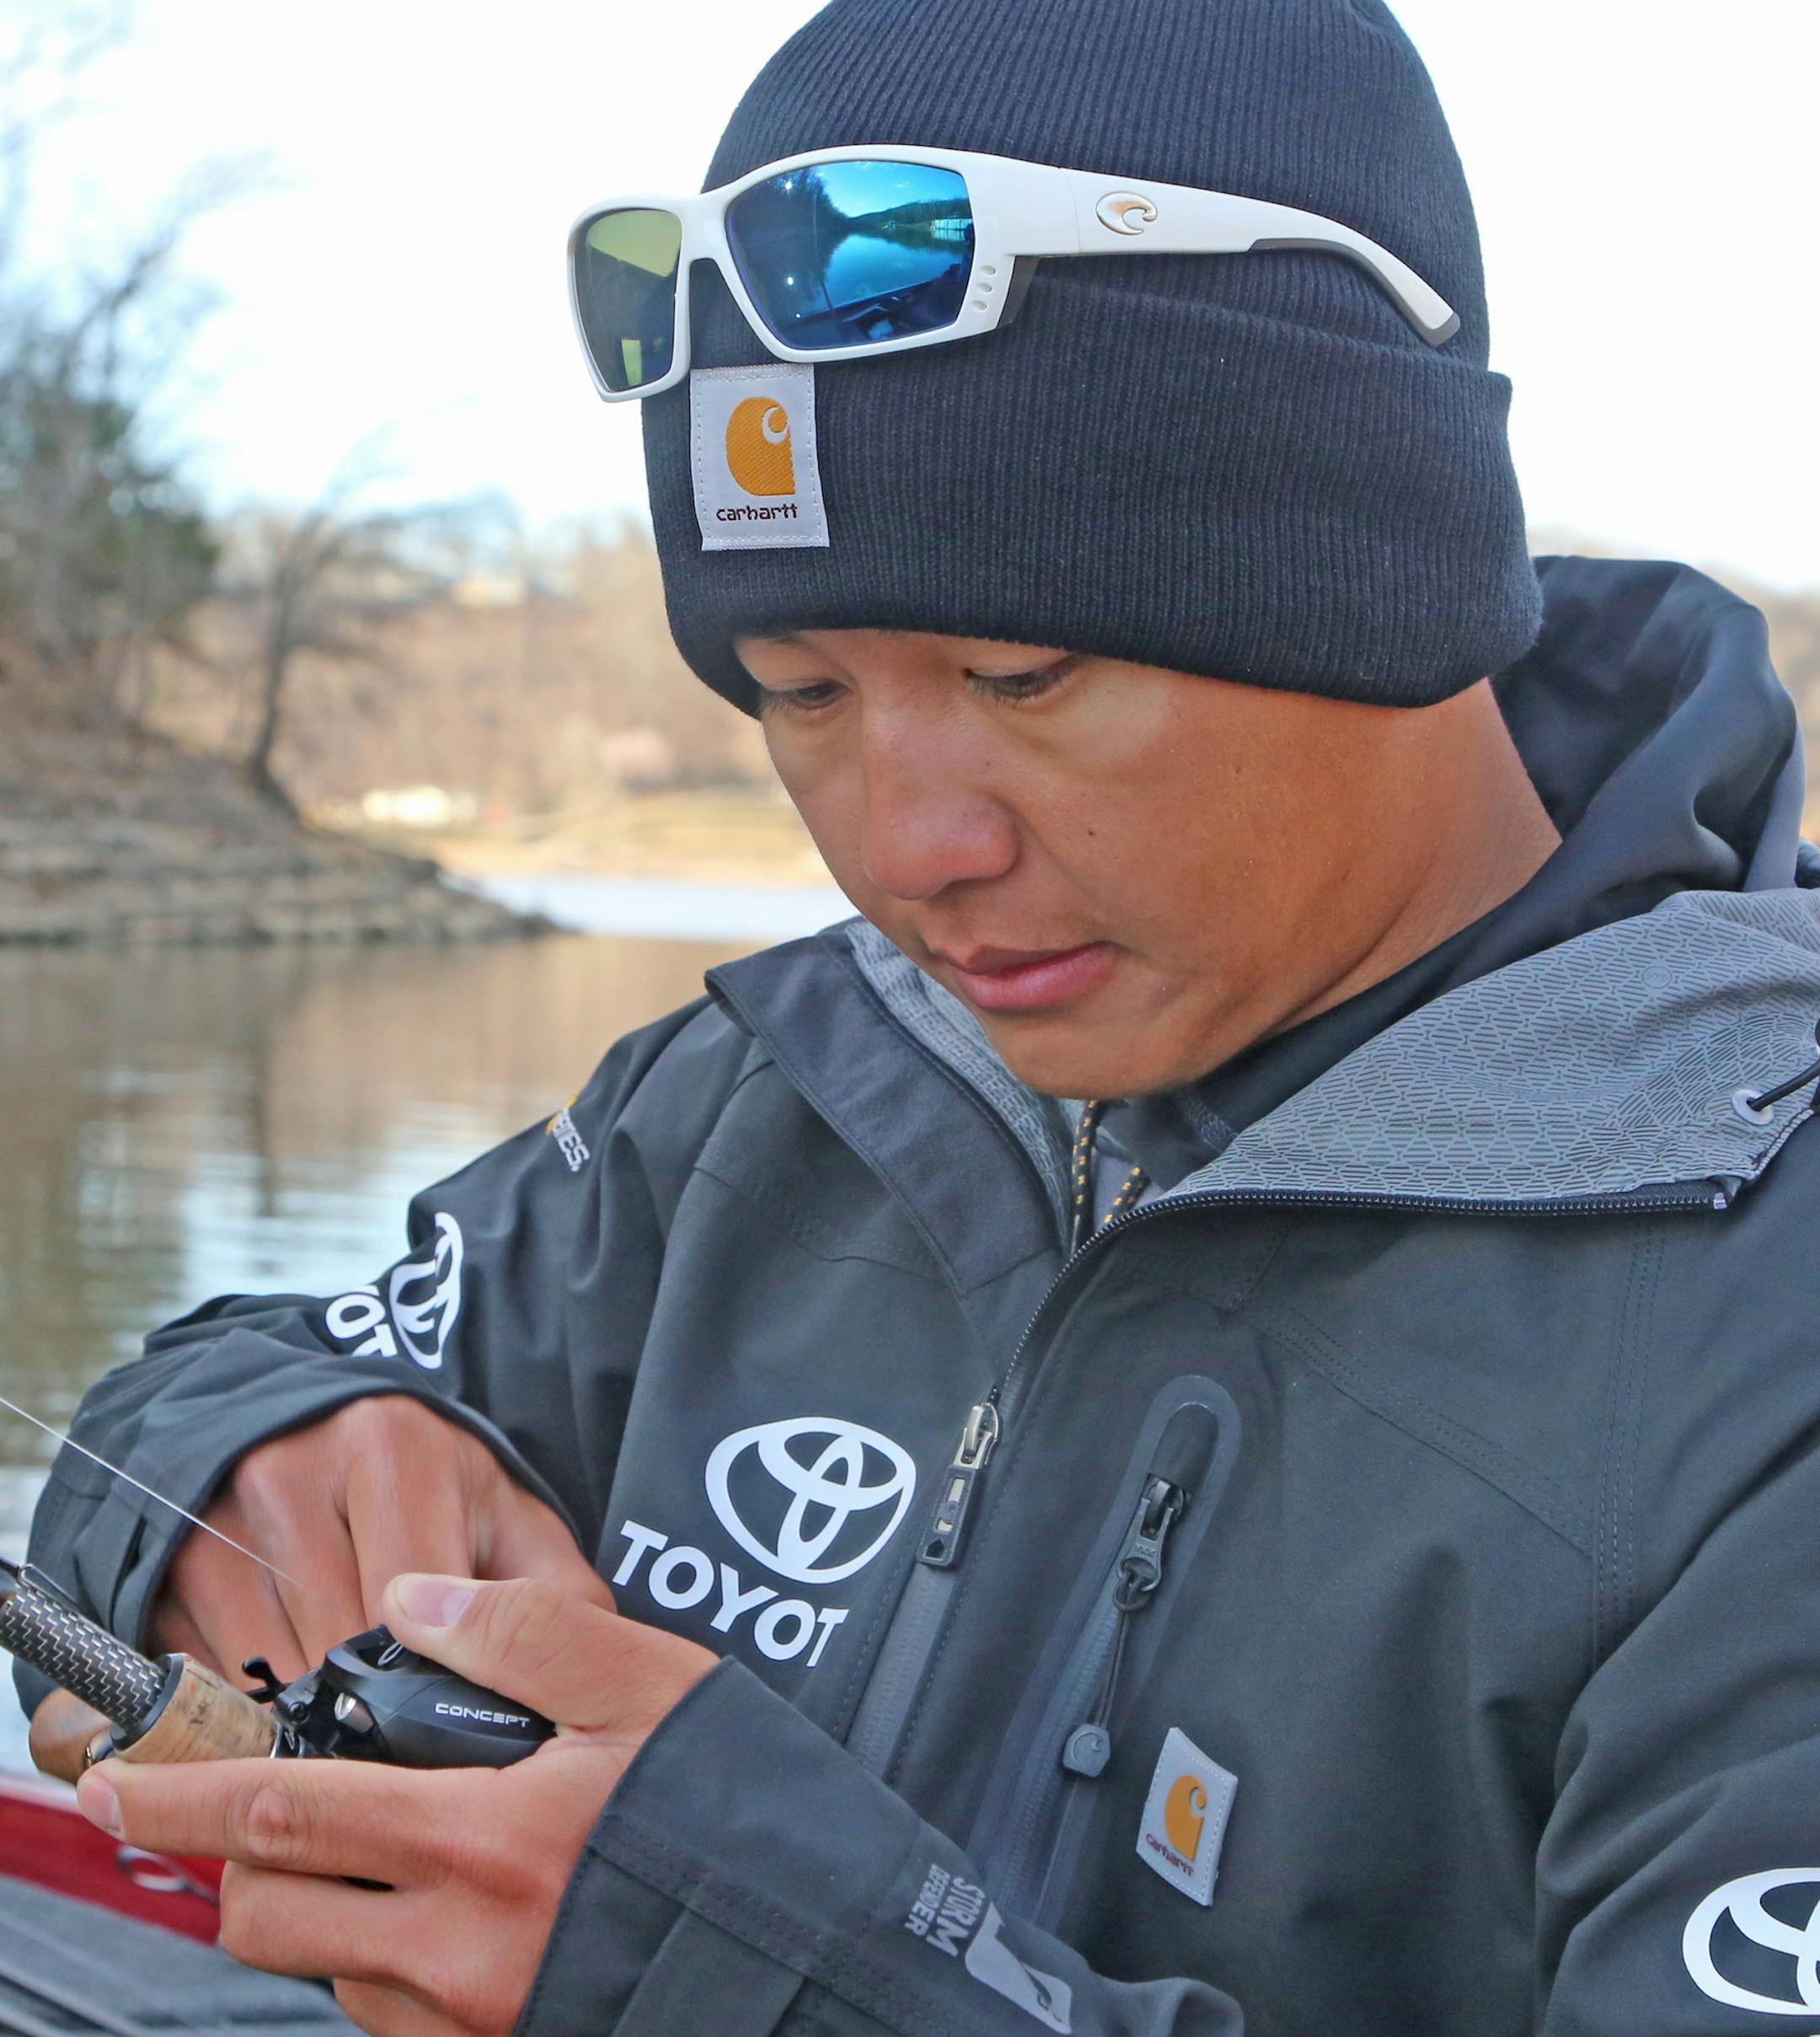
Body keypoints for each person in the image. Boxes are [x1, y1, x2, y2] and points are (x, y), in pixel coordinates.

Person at [21, 1, 1820, 2032]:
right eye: (798, 692)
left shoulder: (1771, 1338)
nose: (905, 847)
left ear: (1380, 593)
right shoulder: (771, 1100)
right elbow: (229, 1370)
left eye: (1026, 672)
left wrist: (760, 1981)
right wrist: (245, 1464)